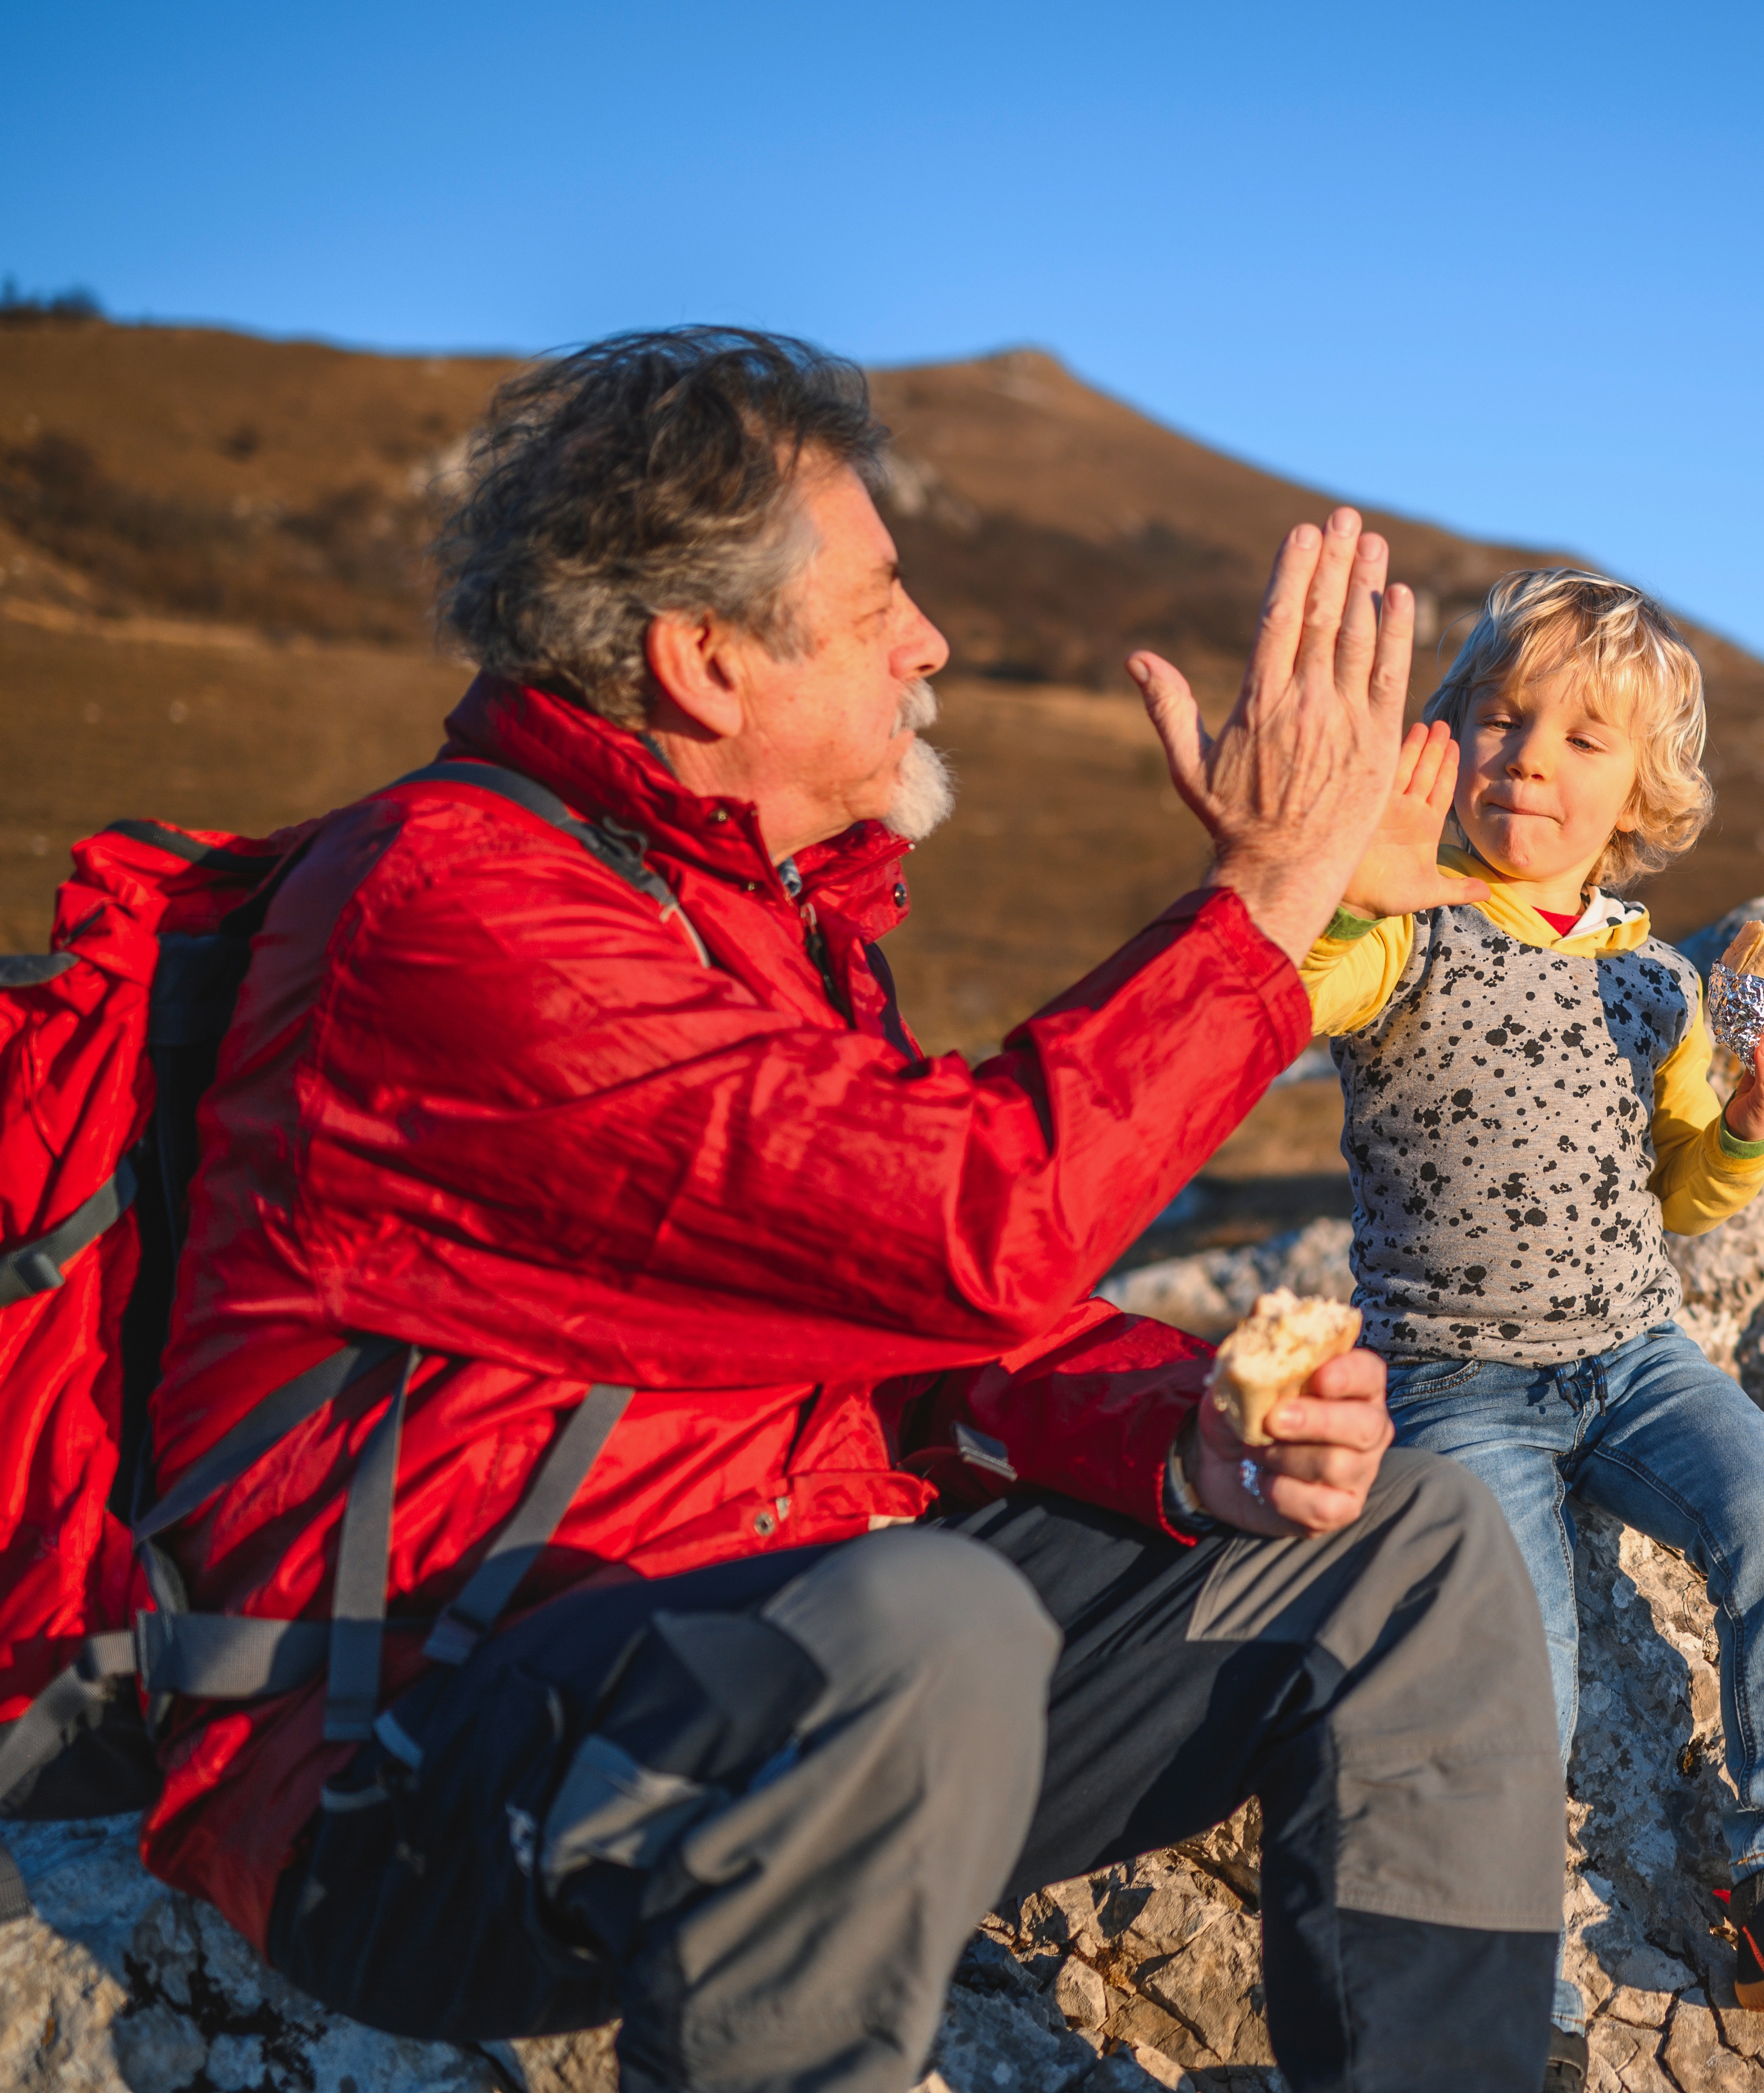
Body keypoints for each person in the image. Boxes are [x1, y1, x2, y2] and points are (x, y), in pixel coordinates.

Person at [136, 329, 1564, 2093]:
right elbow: (977, 1226)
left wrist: (1183, 1441)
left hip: (800, 1676)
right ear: (705, 659)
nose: (932, 644)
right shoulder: (456, 915)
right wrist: (1268, 897)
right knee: (921, 1623)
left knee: (1407, 1547)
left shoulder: (759, 922)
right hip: (414, 1766)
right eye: (883, 598)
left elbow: (932, 1328)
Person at [1299, 570, 1764, 2051]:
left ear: (1640, 796)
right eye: (1500, 718)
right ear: (1451, 742)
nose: (1530, 756)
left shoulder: (1654, 983)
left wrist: (1748, 1120)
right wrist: (1339, 874)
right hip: (1449, 1383)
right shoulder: (1401, 931)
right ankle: (1516, 2015)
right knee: (1516, 1677)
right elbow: (1281, 998)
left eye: (1581, 738)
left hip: (1633, 1359)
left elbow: (1684, 1194)